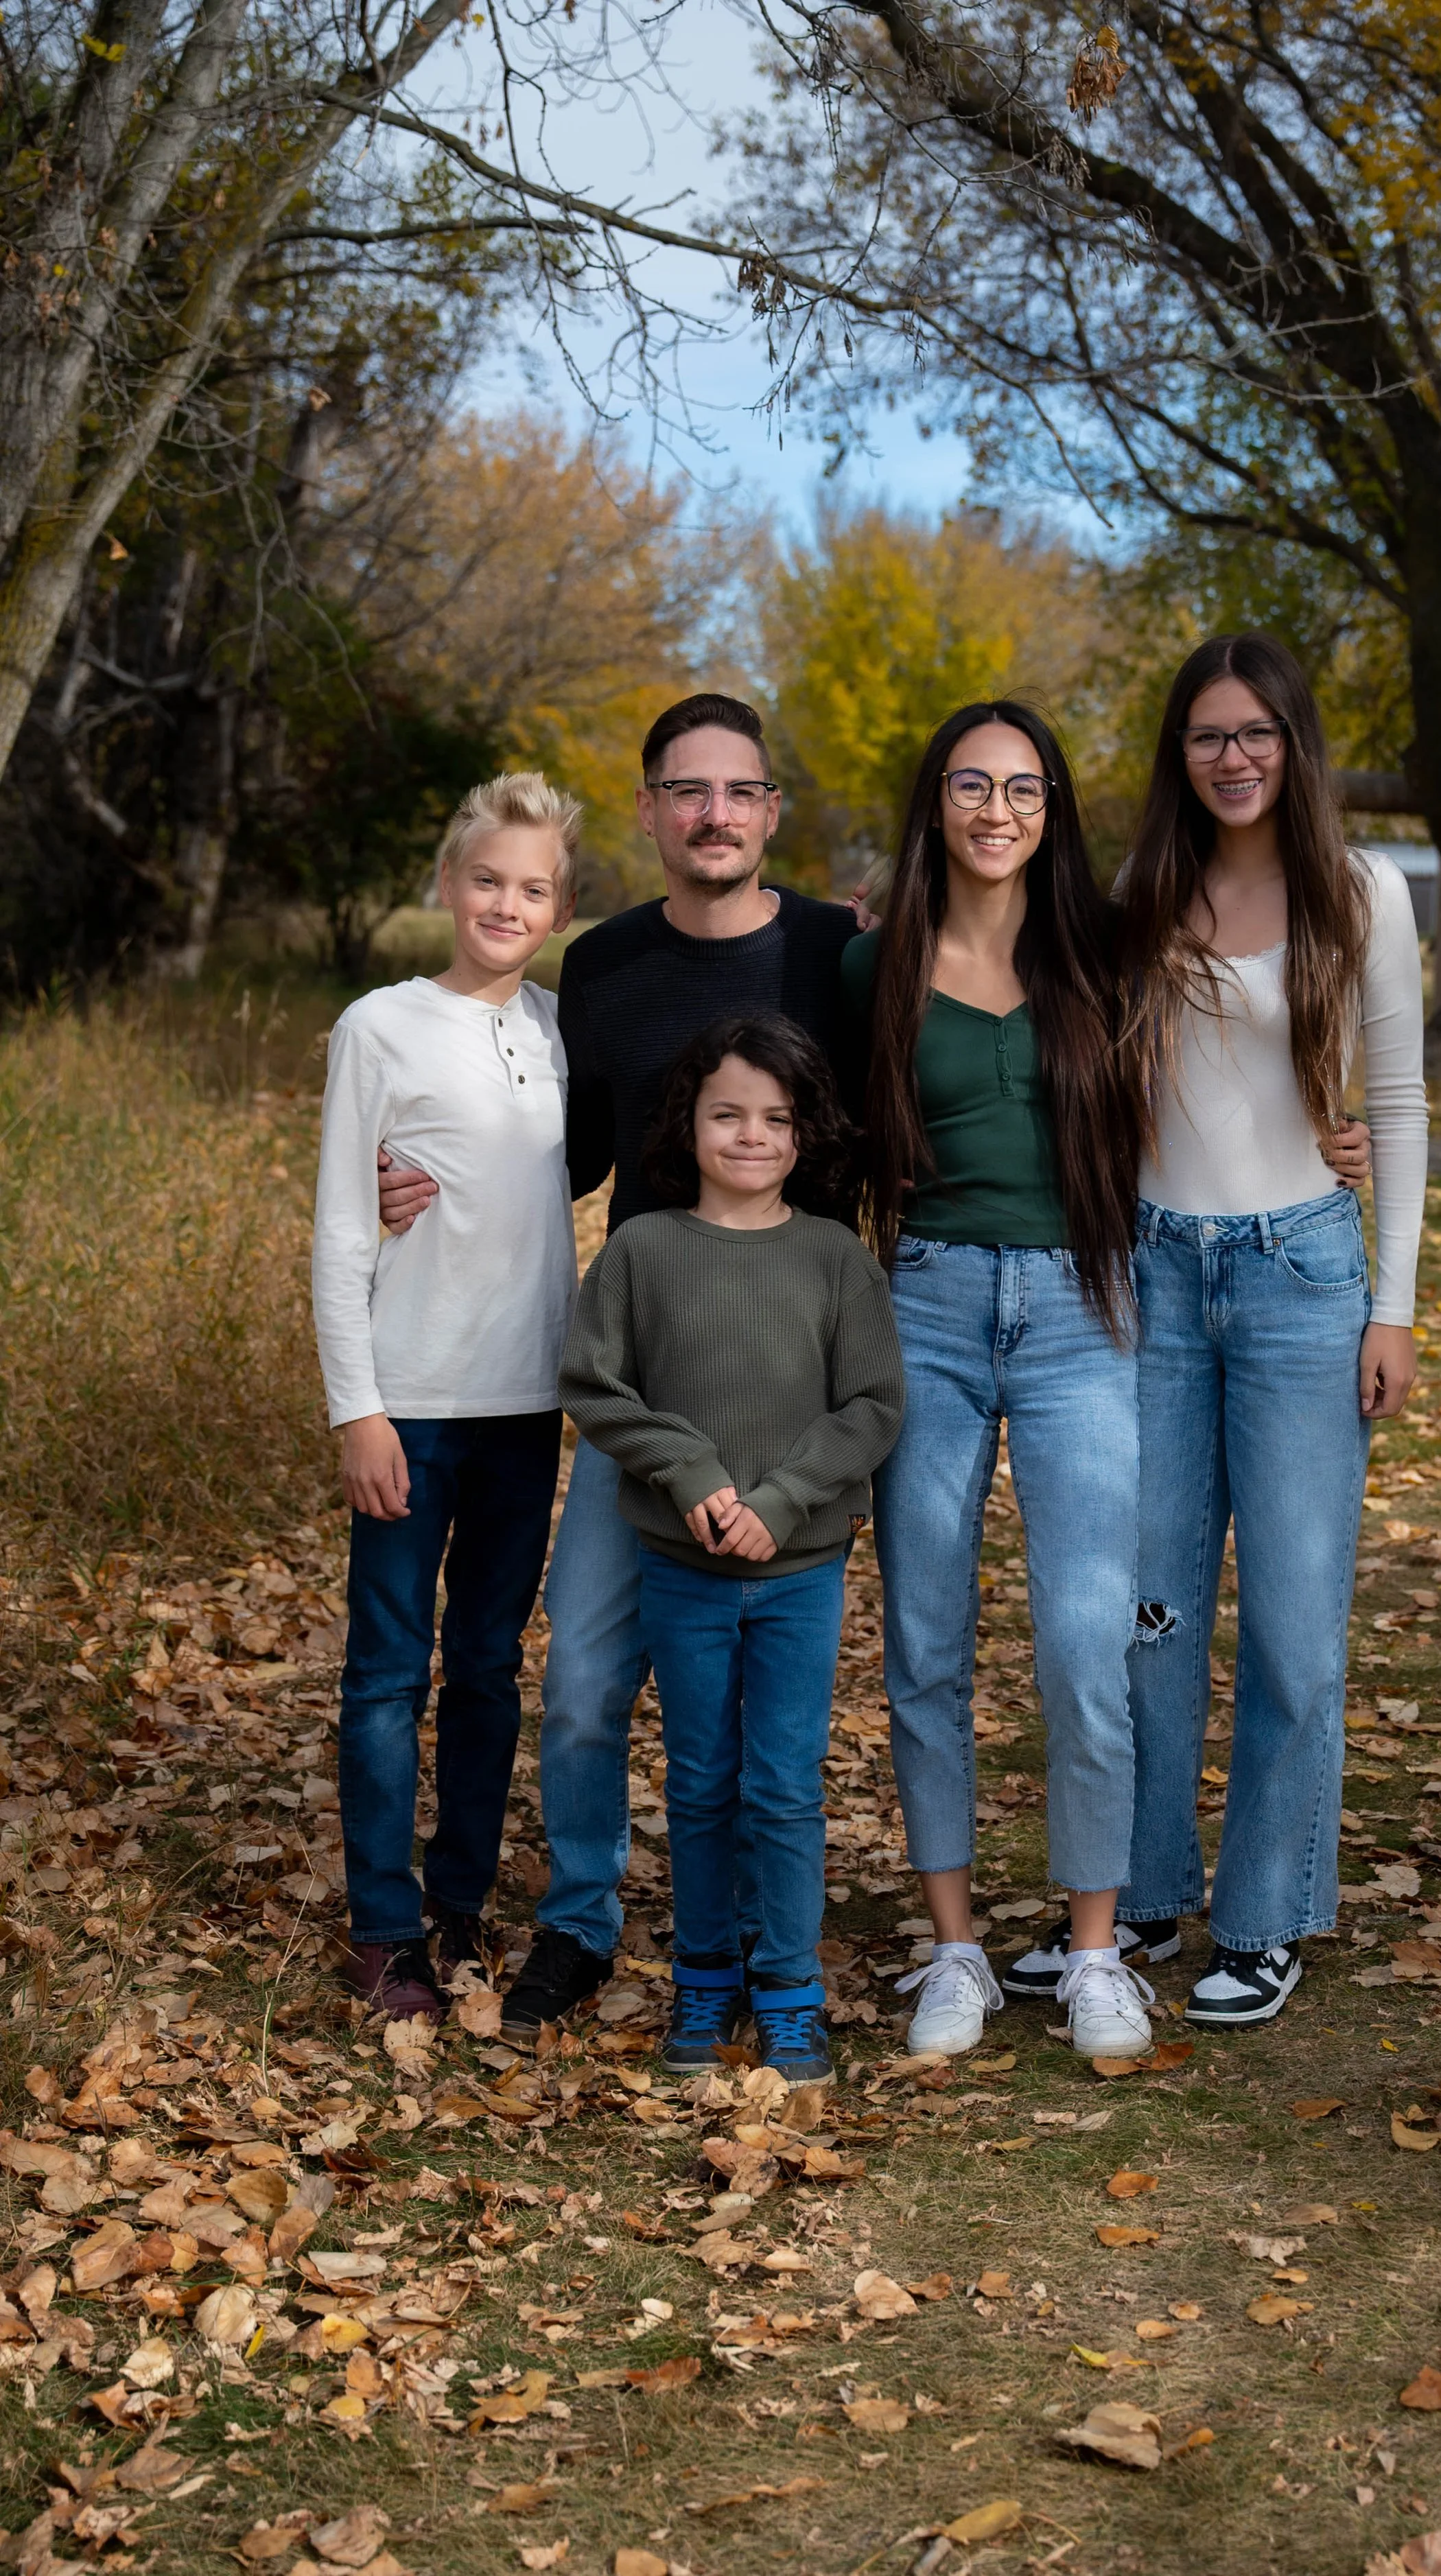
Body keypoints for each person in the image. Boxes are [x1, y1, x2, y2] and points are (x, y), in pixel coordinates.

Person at [375, 693, 861, 2039]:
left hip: (794, 1386)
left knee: (770, 1723)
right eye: (686, 790)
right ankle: (580, 1921)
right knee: (583, 1682)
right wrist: (411, 1161)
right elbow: (562, 1152)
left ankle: (773, 1949)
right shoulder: (601, 965)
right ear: (648, 809)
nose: (714, 813)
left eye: (740, 791)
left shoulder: (837, 948)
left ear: (769, 810)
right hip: (642, 1391)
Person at [840, 699, 1164, 2061]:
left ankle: (1093, 1950)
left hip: (1080, 1307)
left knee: (1086, 1642)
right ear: (935, 801)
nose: (993, 808)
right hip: (924, 1302)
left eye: (1020, 786)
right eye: (968, 784)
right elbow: (819, 1124)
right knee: (923, 1632)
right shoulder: (876, 964)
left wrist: (1333, 1140)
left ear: (1051, 807)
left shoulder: (1101, 949)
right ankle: (956, 1946)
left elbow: (1208, 1081)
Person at [1116, 632, 1427, 2028]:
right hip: (1155, 1276)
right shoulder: (1137, 889)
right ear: (1176, 754)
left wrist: (1394, 1303)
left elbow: (1401, 1104)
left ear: (1290, 743)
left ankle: (1262, 1913)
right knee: (1149, 1608)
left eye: (1254, 732)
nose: (1231, 758)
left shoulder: (1361, 892)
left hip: (1303, 1280)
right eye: (1204, 736)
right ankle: (1139, 1889)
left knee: (1294, 1626)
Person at [560, 1017, 903, 2081]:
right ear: (689, 1122)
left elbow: (873, 1404)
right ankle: (706, 1978)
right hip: (684, 1566)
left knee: (785, 1783)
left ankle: (790, 1984)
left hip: (798, 1570)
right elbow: (594, 1384)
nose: (750, 1136)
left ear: (805, 1133)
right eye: (727, 1115)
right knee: (702, 1779)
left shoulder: (834, 1258)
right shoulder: (643, 1250)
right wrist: (695, 1473)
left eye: (776, 1118)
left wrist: (786, 1495)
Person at [312, 772, 581, 2020]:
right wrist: (356, 1408)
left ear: (559, 902)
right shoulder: (381, 1024)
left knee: (486, 1665)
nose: (506, 903)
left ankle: (457, 1901)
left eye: (532, 887)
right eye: (487, 879)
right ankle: (382, 1926)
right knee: (387, 1670)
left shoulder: (554, 1029)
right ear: (446, 884)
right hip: (410, 1399)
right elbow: (337, 1229)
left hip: (527, 1404)